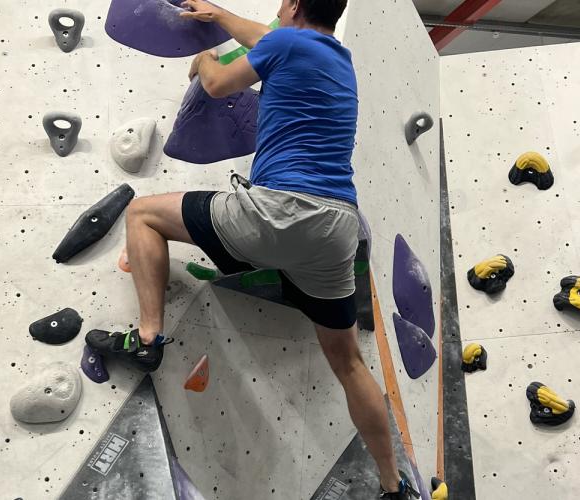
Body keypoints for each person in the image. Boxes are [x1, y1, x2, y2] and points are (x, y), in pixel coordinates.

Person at [86, 1, 416, 498]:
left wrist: (203, 61)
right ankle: (394, 487)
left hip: (279, 211)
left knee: (143, 215)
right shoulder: (337, 60)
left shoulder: (286, 43)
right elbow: (264, 34)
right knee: (348, 364)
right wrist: (215, 13)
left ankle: (148, 339)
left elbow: (220, 85)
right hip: (337, 229)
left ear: (296, 6)